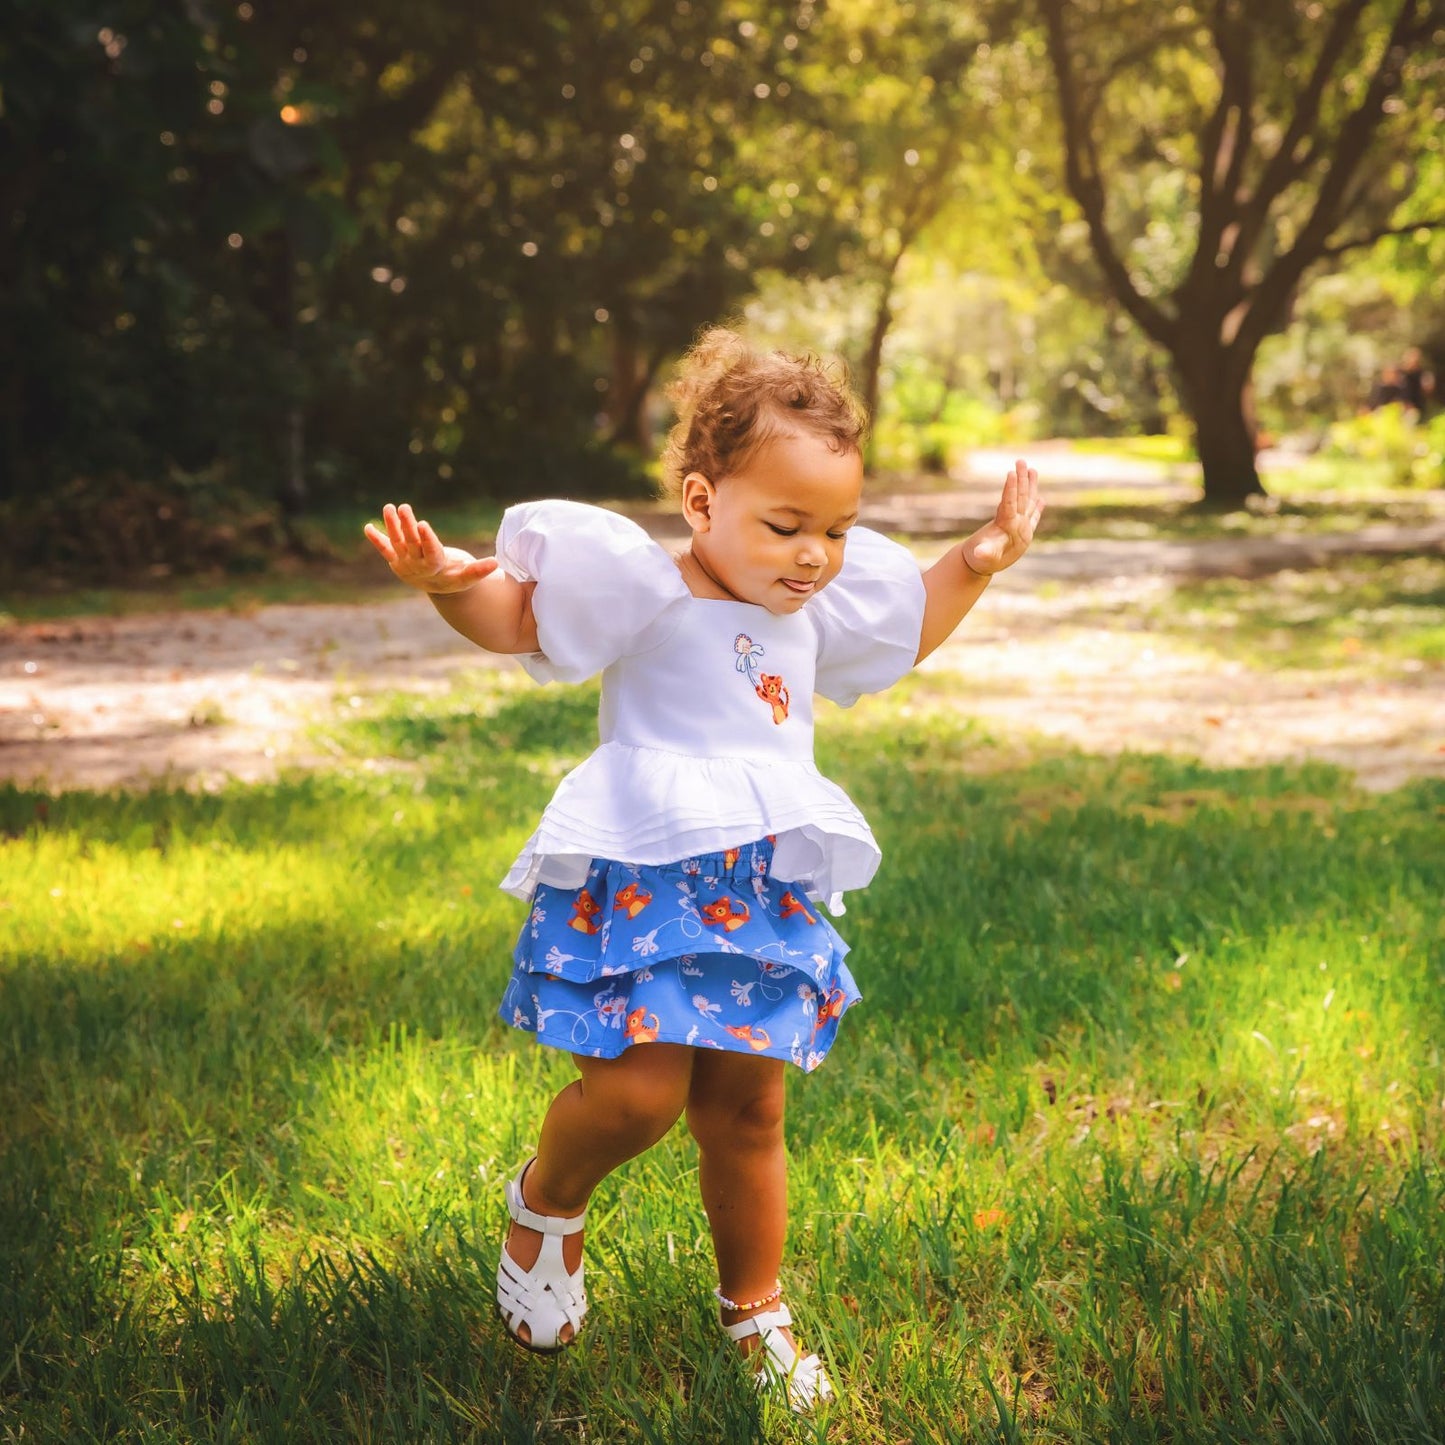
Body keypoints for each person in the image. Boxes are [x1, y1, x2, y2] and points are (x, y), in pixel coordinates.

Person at [363, 328, 1044, 1412]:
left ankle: (754, 1307)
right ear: (698, 502)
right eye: (784, 525)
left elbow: (906, 629)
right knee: (635, 1095)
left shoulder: (813, 608)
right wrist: (446, 581)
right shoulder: (642, 585)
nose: (814, 553)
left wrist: (974, 558)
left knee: (745, 1110)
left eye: (834, 528)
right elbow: (519, 616)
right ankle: (545, 1202)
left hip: (758, 882)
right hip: (647, 873)